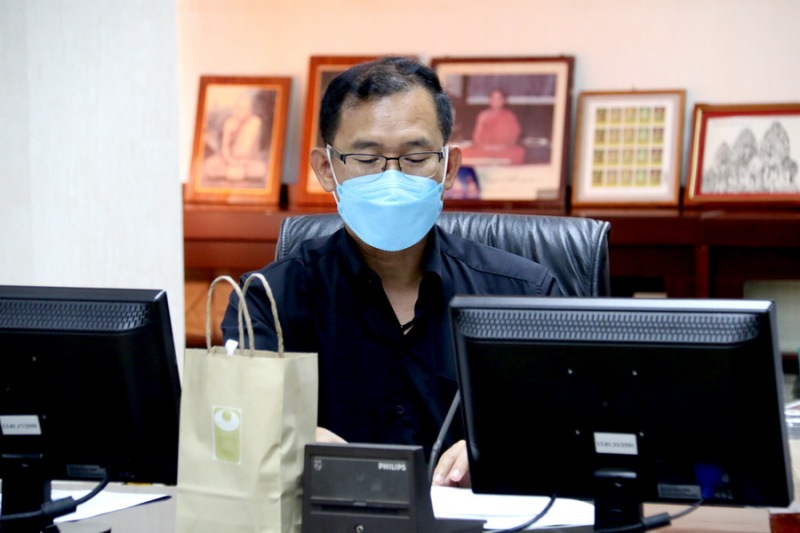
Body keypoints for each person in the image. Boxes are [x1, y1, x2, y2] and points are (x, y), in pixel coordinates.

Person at [221, 57, 561, 487]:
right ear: (326, 169)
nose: (393, 178)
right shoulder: (269, 299)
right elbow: (235, 431)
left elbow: (571, 430)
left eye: (416, 156)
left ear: (449, 168)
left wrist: (508, 449)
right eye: (367, 158)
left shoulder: (524, 295)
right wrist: (287, 441)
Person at [202, 92, 268, 183]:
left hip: (248, 162)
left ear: (251, 109)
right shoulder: (229, 122)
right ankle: (235, 173)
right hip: (229, 161)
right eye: (240, 108)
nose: (243, 111)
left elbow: (251, 150)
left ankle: (233, 173)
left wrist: (241, 162)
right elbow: (225, 148)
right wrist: (231, 161)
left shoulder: (255, 122)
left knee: (261, 169)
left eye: (246, 108)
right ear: (236, 109)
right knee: (209, 165)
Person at [460, 88, 526, 165]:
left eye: (499, 98)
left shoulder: (510, 115)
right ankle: (490, 160)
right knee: (463, 152)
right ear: (489, 100)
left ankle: (492, 160)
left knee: (520, 151)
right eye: (493, 98)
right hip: (485, 149)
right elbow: (476, 136)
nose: (496, 101)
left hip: (503, 149)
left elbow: (514, 136)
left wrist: (501, 147)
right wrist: (485, 147)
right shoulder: (483, 115)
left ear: (504, 101)